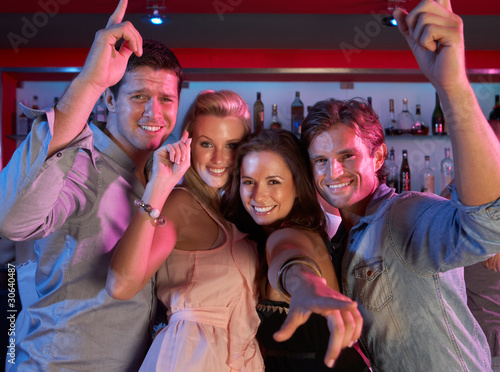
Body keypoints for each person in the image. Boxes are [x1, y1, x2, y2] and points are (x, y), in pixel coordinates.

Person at [294, 0, 500, 370]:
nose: (333, 172)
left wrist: (452, 87)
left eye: (347, 156)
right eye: (320, 161)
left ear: (377, 157)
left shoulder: (405, 212)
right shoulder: (341, 235)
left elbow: (488, 226)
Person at [0, 0, 184, 370]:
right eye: (138, 97)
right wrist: (91, 79)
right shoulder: (79, 163)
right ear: (109, 99)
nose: (154, 113)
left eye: (166, 99)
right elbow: (11, 220)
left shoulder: (156, 180)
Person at [105, 89, 265, 371]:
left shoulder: (230, 211)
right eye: (206, 144)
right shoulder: (180, 202)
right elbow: (120, 285)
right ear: (188, 143)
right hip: (191, 357)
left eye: (231, 145)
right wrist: (160, 184)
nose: (218, 158)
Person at [223, 129, 366, 370]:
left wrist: (307, 284)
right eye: (249, 182)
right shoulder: (280, 232)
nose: (258, 195)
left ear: (298, 186)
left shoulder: (288, 234)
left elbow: (290, 257)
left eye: (273, 182)